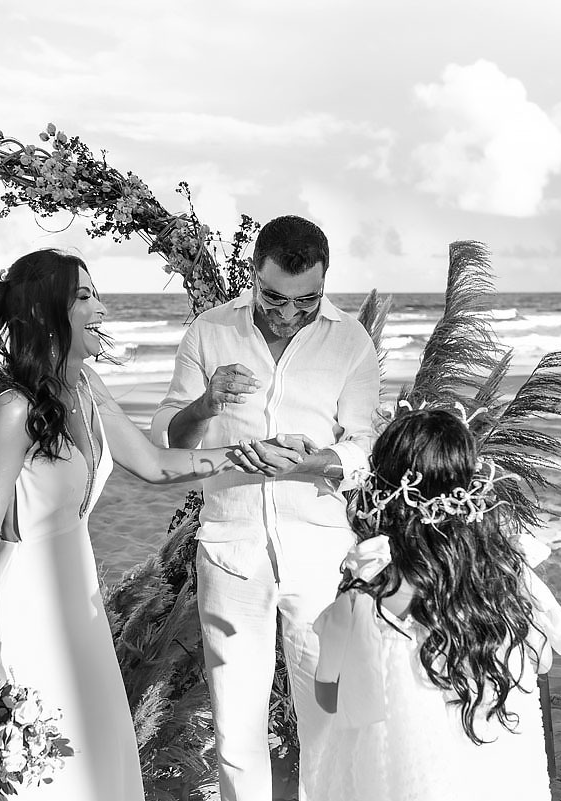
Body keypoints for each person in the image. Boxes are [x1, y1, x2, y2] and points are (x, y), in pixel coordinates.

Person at [0, 250, 282, 800]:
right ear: (45, 312)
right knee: (26, 774)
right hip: (23, 609)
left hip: (77, 603)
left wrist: (251, 453)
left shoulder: (86, 387)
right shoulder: (14, 411)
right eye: (83, 297)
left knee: (92, 759)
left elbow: (154, 465)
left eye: (96, 294)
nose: (101, 307)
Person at [150, 215, 382, 801]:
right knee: (235, 723)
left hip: (321, 555)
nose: (288, 313)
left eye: (307, 301)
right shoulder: (209, 332)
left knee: (326, 711)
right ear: (254, 273)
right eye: (275, 297)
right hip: (231, 549)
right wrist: (206, 403)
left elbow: (366, 447)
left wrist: (307, 464)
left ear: (323, 285)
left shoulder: (350, 341)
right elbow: (169, 440)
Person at [308, 405, 561, 801]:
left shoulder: (363, 598)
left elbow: (332, 700)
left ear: (381, 491)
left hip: (401, 777)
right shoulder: (507, 574)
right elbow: (541, 663)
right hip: (497, 763)